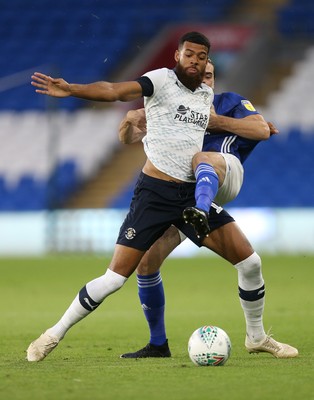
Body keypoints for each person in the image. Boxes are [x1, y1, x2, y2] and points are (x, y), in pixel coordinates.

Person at [26, 31, 297, 362]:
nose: (195, 61)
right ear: (177, 56)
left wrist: (255, 126)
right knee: (113, 279)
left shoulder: (206, 97)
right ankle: (53, 334)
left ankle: (256, 338)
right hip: (153, 195)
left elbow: (247, 127)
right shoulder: (160, 81)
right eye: (189, 55)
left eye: (202, 57)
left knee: (251, 262)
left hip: (189, 195)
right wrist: (72, 90)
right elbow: (114, 91)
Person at [118, 60, 296, 359]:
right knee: (146, 262)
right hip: (174, 193)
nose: (204, 79)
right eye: (199, 74)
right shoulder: (172, 109)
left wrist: (214, 122)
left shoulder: (230, 102)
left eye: (209, 75)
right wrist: (127, 123)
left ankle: (258, 336)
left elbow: (261, 128)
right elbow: (129, 138)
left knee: (248, 260)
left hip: (214, 182)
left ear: (213, 79)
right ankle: (158, 344)